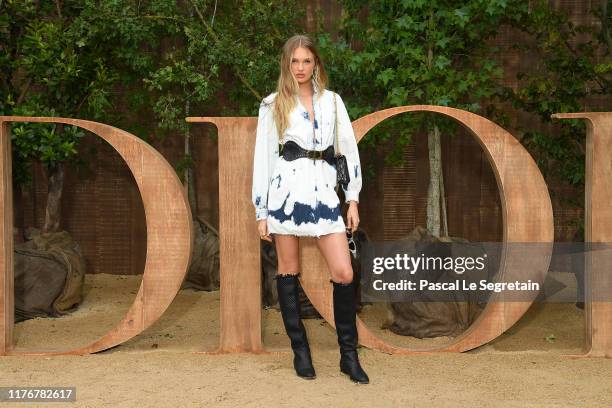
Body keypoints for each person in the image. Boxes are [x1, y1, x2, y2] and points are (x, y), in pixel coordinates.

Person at [251, 34, 369, 384]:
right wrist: (262, 209)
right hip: (286, 195)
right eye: (294, 61)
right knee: (288, 270)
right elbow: (264, 158)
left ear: (316, 63)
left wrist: (352, 198)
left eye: (307, 61)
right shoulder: (272, 104)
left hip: (323, 194)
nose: (300, 68)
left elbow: (346, 150)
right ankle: (300, 351)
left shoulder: (333, 102)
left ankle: (349, 357)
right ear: (286, 65)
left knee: (344, 272)